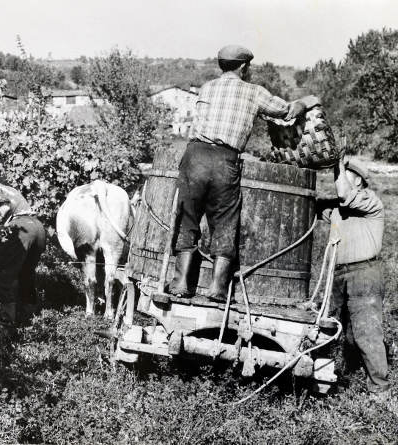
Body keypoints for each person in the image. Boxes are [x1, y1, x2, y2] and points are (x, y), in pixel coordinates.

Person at [166, 44, 308, 302]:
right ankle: (218, 289)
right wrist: (306, 102)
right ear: (244, 67)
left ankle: (180, 284)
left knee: (188, 217)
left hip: (194, 155)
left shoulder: (207, 88)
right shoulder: (253, 92)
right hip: (225, 159)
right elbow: (286, 111)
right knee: (225, 221)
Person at [317, 156, 389, 399]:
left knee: (366, 331)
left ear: (357, 181)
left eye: (343, 174)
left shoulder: (369, 201)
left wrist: (336, 164)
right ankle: (326, 379)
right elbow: (317, 205)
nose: (338, 180)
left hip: (364, 273)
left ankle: (379, 389)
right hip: (337, 274)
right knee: (328, 327)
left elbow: (345, 195)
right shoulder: (340, 206)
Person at [0, 183, 46, 326]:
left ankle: (6, 322)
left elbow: (4, 208)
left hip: (21, 228)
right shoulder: (4, 187)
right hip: (38, 227)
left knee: (2, 274)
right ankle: (31, 318)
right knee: (26, 273)